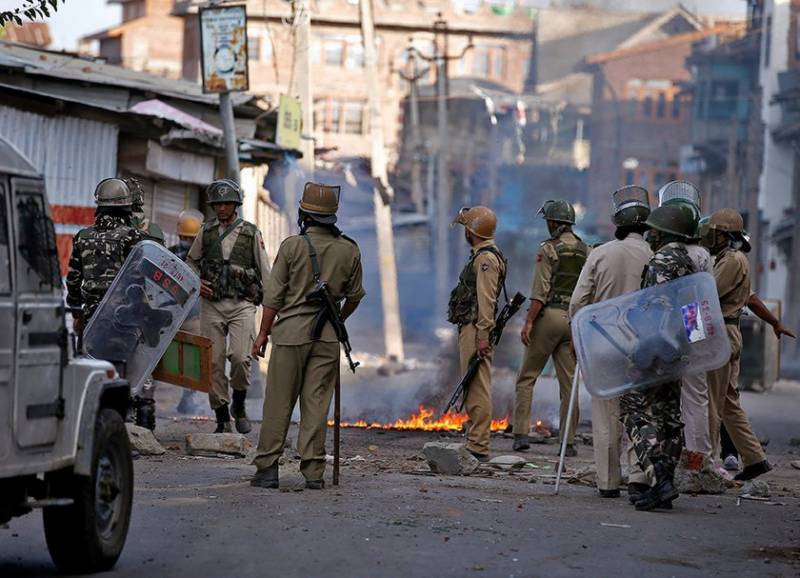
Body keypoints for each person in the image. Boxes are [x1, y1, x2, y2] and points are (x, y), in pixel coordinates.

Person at [251, 182, 365, 489]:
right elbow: (355, 296)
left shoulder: (292, 246)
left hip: (289, 336)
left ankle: (267, 469)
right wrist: (337, 319)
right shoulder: (350, 249)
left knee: (278, 403)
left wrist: (262, 334)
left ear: (305, 213)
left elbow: (273, 297)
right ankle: (314, 472)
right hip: (327, 339)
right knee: (316, 405)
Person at [569, 186, 652, 499]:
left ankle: (607, 482)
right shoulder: (655, 256)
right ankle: (638, 476)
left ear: (618, 224)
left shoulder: (600, 253)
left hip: (603, 346)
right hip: (643, 347)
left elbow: (579, 302)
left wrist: (577, 337)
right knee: (639, 413)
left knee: (606, 415)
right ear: (645, 226)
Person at [621, 205, 696, 511]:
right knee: (668, 417)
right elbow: (693, 316)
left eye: (653, 230)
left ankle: (659, 478)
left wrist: (642, 345)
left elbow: (656, 311)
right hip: (677, 350)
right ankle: (665, 484)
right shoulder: (689, 263)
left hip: (654, 349)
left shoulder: (661, 261)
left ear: (664, 232)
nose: (649, 234)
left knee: (633, 408)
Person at [187, 179, 272, 434]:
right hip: (211, 304)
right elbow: (191, 261)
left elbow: (265, 273)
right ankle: (222, 416)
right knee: (212, 363)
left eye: (227, 203)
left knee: (239, 357)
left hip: (242, 304)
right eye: (218, 204)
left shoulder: (250, 232)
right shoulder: (206, 231)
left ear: (235, 204)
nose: (222, 208)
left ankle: (239, 403)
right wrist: (196, 281)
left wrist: (271, 312)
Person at [65, 178, 146, 425]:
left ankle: (89, 420)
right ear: (126, 207)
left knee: (91, 368)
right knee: (122, 369)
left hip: (91, 315)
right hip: (123, 316)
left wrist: (78, 315)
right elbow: (139, 280)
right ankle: (122, 424)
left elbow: (73, 279)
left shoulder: (83, 236)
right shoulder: (133, 236)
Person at [701, 209, 774, 481]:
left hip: (722, 331)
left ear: (725, 235)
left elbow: (707, 294)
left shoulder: (731, 261)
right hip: (728, 331)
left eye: (714, 233)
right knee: (729, 401)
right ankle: (755, 458)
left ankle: (705, 462)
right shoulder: (728, 259)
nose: (710, 237)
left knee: (712, 401)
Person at [513, 200, 587, 456]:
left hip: (550, 317)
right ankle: (569, 441)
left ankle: (521, 434)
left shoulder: (548, 249)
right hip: (573, 320)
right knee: (569, 385)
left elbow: (540, 292)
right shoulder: (585, 250)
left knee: (527, 377)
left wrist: (529, 321)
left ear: (554, 223)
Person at [447, 206, 507, 462]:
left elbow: (486, 300)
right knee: (473, 384)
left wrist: (482, 334)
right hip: (472, 326)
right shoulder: (483, 256)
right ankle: (475, 436)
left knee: (477, 386)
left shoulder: (485, 259)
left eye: (466, 228)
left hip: (475, 328)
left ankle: (479, 444)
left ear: (472, 232)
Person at [169, 209, 205, 415]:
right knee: (191, 357)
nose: (186, 241)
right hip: (184, 316)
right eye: (185, 237)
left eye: (187, 238)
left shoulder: (170, 253)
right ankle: (187, 398)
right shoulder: (203, 256)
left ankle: (186, 398)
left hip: (178, 315)